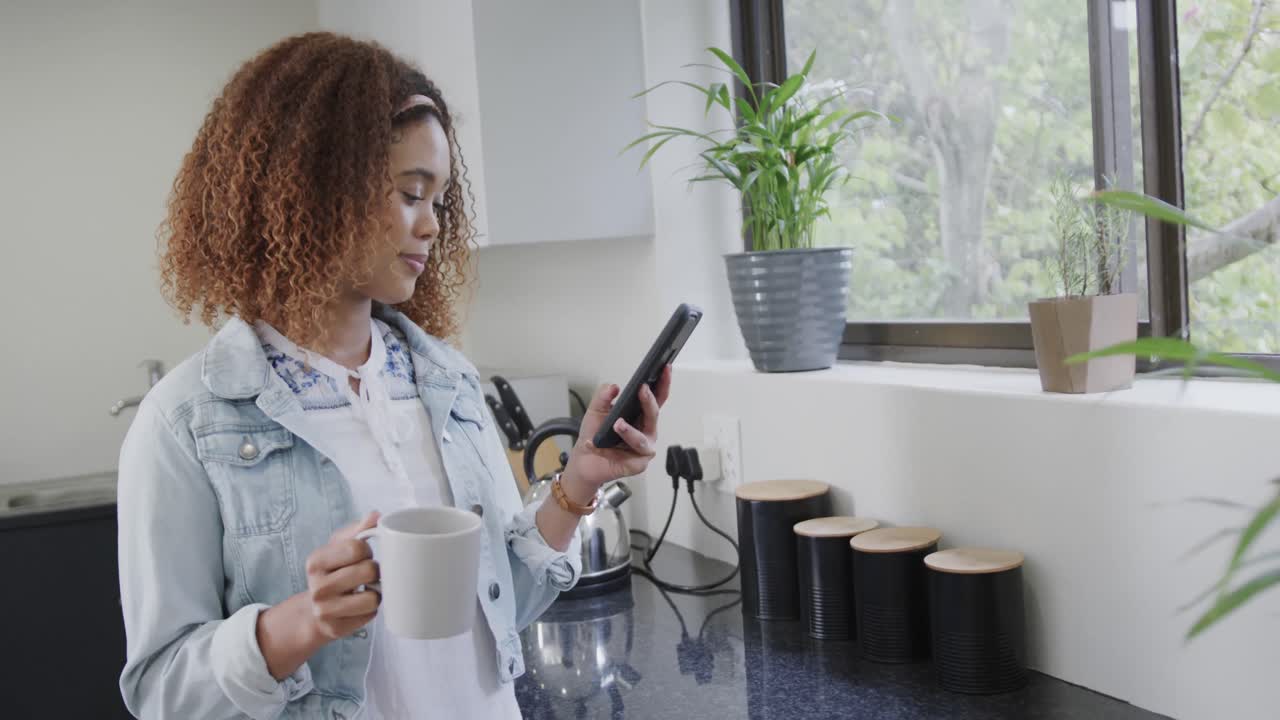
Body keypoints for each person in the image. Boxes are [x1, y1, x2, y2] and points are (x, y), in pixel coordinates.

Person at [116, 32, 671, 720]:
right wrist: (299, 624)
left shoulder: (448, 382)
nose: (433, 225)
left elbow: (505, 602)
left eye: (440, 200)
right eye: (411, 193)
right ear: (311, 187)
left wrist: (579, 481)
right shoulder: (185, 423)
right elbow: (161, 691)